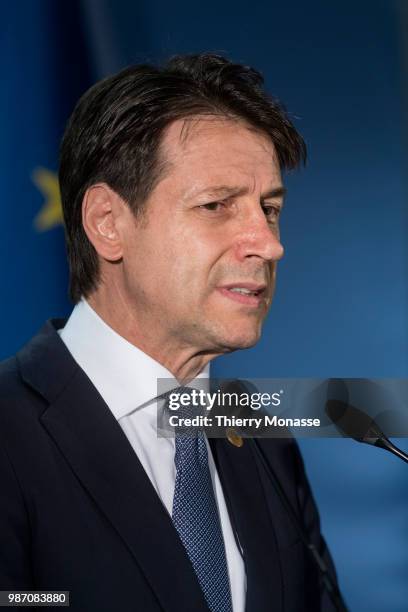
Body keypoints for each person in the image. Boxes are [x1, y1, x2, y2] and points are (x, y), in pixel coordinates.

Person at [0, 53, 339, 611]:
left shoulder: (258, 432)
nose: (268, 243)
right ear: (109, 224)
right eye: (216, 205)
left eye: (270, 208)